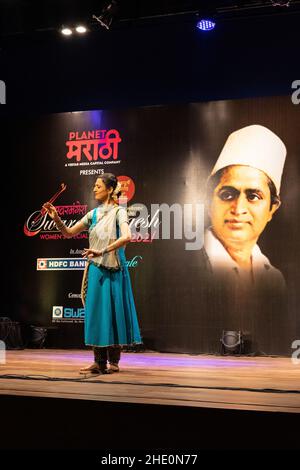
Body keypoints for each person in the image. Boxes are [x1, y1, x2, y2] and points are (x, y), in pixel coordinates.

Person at [43, 173, 142, 374]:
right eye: (94, 186)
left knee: (114, 311)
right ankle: (99, 361)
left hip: (114, 267)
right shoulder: (94, 214)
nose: (94, 189)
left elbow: (127, 237)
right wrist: (57, 219)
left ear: (110, 189)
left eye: (98, 186)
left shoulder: (118, 212)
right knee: (96, 312)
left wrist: (102, 250)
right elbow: (68, 232)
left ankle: (113, 361)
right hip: (96, 268)